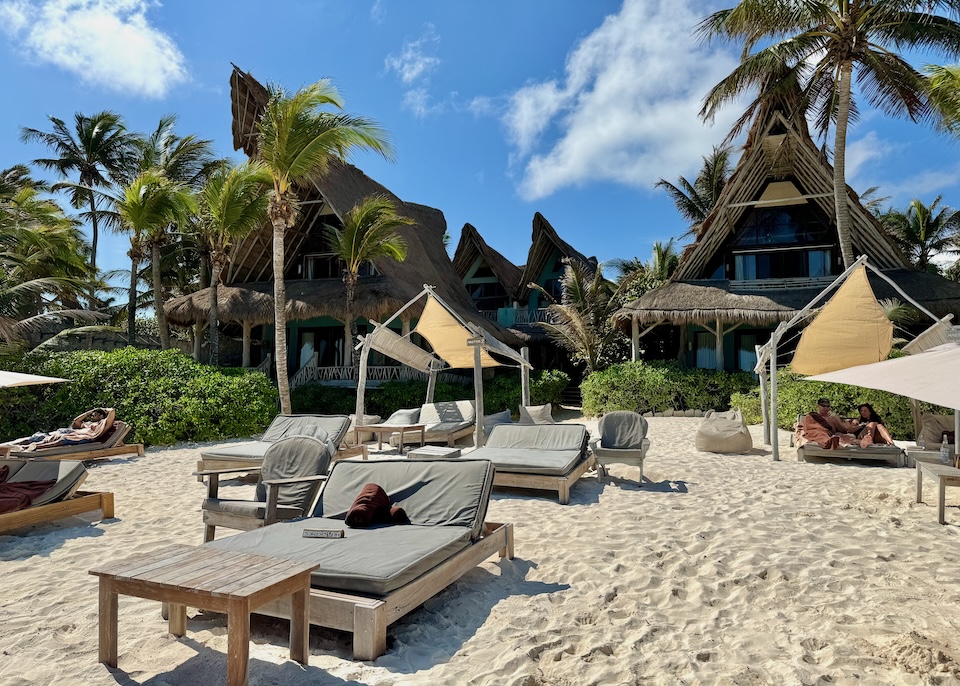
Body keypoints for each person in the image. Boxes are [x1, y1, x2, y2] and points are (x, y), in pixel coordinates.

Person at [4, 408, 116, 452]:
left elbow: (112, 412)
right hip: (68, 433)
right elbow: (76, 422)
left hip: (77, 437)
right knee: (38, 437)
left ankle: (34, 447)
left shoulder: (101, 424)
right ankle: (10, 446)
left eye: (94, 415)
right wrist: (89, 412)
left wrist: (105, 410)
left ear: (101, 417)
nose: (91, 416)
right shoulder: (87, 424)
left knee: (62, 439)